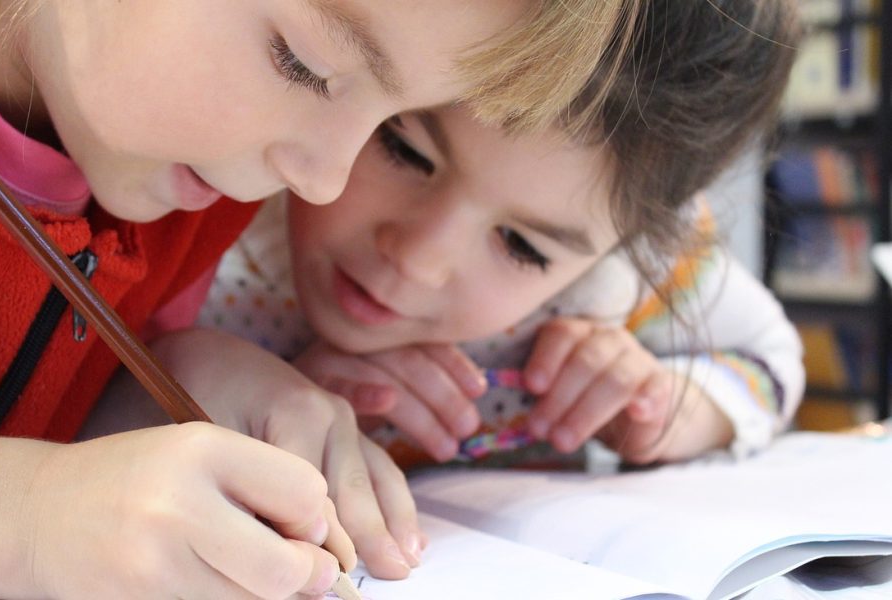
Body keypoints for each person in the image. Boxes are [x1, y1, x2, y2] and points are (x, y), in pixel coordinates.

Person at [0, 0, 643, 598]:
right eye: (305, 65)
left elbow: (21, 412)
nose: (323, 178)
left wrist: (172, 383)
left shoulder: (195, 187)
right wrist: (9, 521)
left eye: (391, 119)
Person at [185, 0, 804, 469]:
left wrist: (671, 407)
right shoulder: (207, 199)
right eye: (403, 150)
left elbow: (771, 358)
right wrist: (230, 389)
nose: (419, 260)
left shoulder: (623, 281)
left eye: (522, 247)